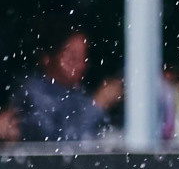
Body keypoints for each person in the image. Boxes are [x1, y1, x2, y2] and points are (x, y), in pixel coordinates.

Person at [14, 12, 123, 149]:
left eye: (84, 58)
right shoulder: (33, 93)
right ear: (46, 58)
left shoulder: (77, 92)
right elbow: (57, 144)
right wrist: (97, 104)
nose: (81, 65)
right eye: (73, 58)